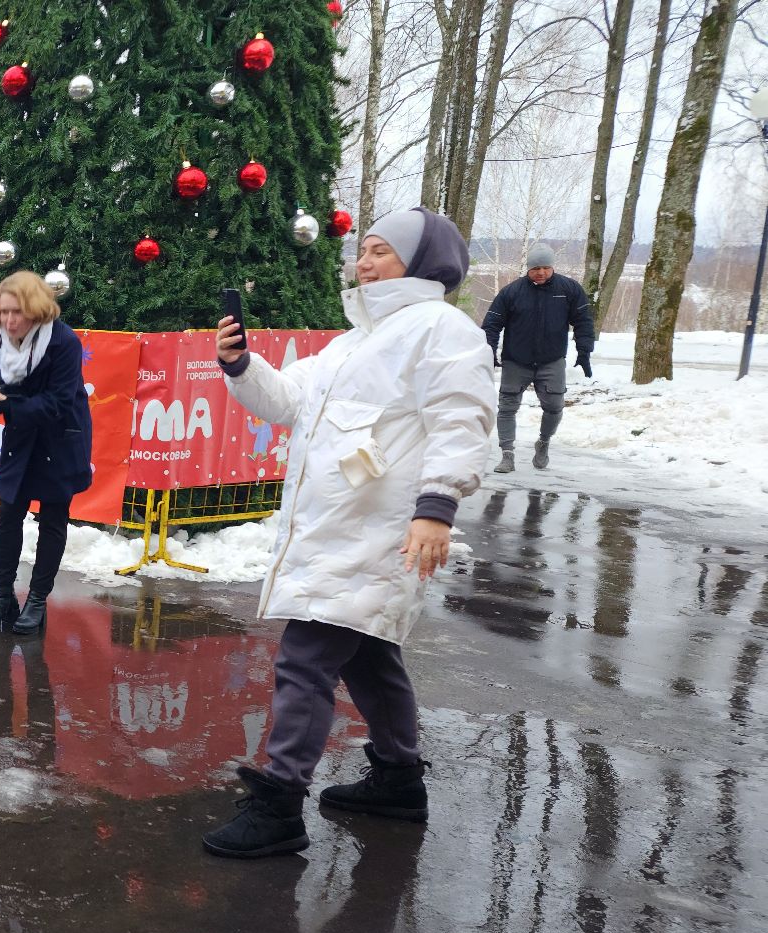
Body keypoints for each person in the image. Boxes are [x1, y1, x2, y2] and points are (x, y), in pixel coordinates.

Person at [200, 207, 495, 859]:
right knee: (368, 654)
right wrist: (241, 365)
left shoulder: (441, 329)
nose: (363, 262)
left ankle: (279, 803)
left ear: (421, 261)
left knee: (305, 659)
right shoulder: (351, 342)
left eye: (381, 251)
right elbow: (287, 402)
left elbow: (461, 419)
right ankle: (397, 780)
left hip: (381, 532)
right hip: (334, 528)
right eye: (363, 249)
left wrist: (436, 507)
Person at [0, 270, 93, 637]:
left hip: (60, 436)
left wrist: (6, 404)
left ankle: (37, 600)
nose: (9, 321)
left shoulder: (63, 342)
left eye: (17, 312)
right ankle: (1, 596)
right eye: (4, 312)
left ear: (36, 309)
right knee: (8, 514)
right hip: (21, 434)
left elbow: (58, 402)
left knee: (53, 518)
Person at [481, 244, 595, 473]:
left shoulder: (569, 289)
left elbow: (583, 321)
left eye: (545, 268)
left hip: (551, 360)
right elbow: (492, 324)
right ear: (528, 269)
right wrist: (488, 351)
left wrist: (584, 351)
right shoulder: (512, 292)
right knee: (507, 407)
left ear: (552, 267)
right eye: (535, 268)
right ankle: (507, 454)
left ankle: (543, 442)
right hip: (516, 359)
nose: (540, 272)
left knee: (554, 407)